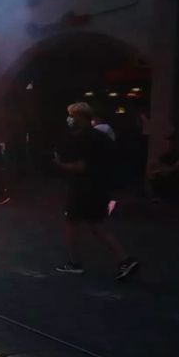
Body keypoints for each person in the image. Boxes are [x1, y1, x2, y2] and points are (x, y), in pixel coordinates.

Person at [54, 102, 139, 280]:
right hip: (100, 187)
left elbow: (80, 166)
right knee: (96, 225)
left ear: (82, 117)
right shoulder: (100, 137)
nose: (70, 119)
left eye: (72, 115)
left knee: (71, 222)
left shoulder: (83, 138)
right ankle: (124, 260)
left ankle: (74, 263)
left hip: (83, 187)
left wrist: (60, 164)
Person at [147, 135, 179, 203]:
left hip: (175, 175)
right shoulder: (163, 157)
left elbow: (177, 166)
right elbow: (160, 167)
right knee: (155, 175)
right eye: (166, 144)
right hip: (165, 173)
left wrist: (169, 169)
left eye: (169, 144)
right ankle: (158, 197)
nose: (167, 146)